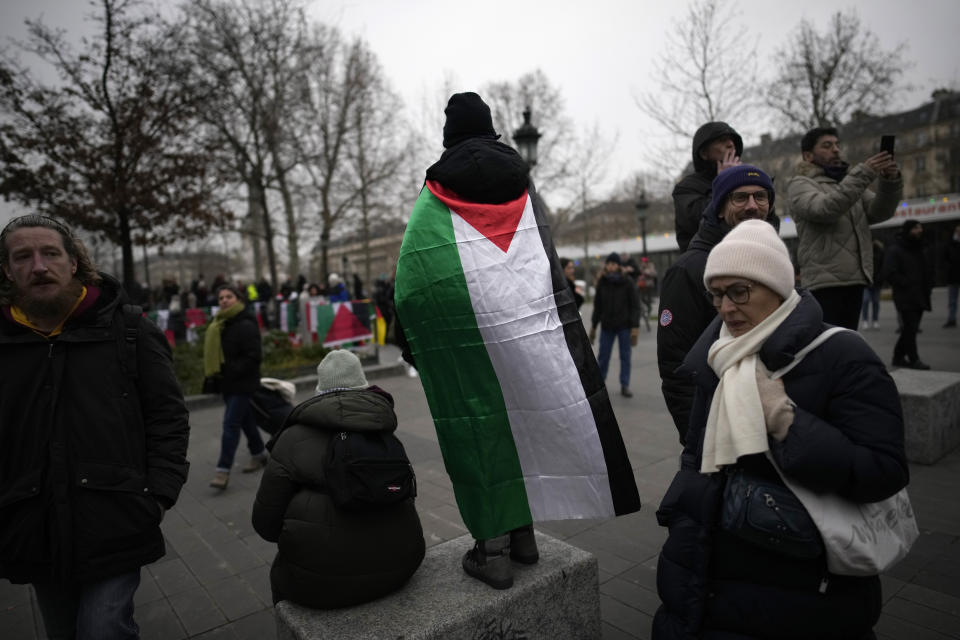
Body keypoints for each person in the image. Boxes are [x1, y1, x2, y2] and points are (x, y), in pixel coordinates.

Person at [394, 91, 640, 590]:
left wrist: (414, 340)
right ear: (493, 131)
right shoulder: (524, 191)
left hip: (466, 341)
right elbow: (544, 261)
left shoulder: (432, 197)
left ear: (448, 137)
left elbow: (414, 281)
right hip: (527, 331)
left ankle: (492, 552)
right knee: (525, 419)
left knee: (478, 429)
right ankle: (524, 538)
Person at [653, 219, 908, 639]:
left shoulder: (844, 354)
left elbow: (884, 470)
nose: (726, 308)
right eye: (717, 294)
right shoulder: (717, 356)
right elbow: (696, 457)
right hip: (704, 572)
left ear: (778, 288)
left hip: (805, 592)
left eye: (740, 291)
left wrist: (786, 420)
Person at [0, 214, 190, 639]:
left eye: (50, 253)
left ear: (73, 262)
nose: (38, 266)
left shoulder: (128, 329)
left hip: (116, 517)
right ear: (8, 270)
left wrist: (158, 494)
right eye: (23, 257)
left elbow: (168, 414)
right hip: (34, 526)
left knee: (103, 629)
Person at [252, 350, 425, 608]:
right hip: (402, 564)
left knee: (280, 574)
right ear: (362, 385)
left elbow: (265, 524)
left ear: (320, 389)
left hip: (319, 583)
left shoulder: (292, 438)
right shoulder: (385, 431)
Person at [657, 165, 776, 444]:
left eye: (760, 196)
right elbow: (676, 369)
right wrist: (698, 439)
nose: (752, 206)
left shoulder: (772, 259)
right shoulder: (689, 269)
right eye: (740, 198)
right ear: (719, 208)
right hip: (719, 428)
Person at [787, 126, 903, 330]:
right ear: (807, 155)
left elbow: (879, 212)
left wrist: (889, 181)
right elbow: (824, 209)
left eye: (837, 145)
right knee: (828, 348)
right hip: (823, 283)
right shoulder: (800, 184)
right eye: (827, 145)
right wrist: (864, 173)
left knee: (847, 345)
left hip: (855, 278)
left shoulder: (847, 183)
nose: (836, 150)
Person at [205, 284, 268, 489]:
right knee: (246, 420)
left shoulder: (245, 324)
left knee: (230, 423)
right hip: (228, 383)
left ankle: (222, 471)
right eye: (221, 297)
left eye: (228, 296)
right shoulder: (221, 323)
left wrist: (231, 369)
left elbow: (253, 356)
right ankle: (258, 453)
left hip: (243, 382)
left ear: (239, 299)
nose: (223, 300)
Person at [672, 122, 743, 252]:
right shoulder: (686, 188)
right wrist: (723, 183)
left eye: (732, 140)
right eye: (722, 140)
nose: (731, 144)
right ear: (704, 153)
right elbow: (699, 221)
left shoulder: (749, 180)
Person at [884, 220, 933, 369]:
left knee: (909, 329)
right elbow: (889, 273)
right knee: (911, 328)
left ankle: (898, 357)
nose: (920, 231)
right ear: (908, 230)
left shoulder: (918, 248)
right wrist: (906, 283)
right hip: (905, 296)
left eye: (921, 228)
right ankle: (913, 359)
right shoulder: (896, 250)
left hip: (920, 295)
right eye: (916, 228)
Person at [590, 252, 640, 397]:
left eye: (614, 264)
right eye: (609, 264)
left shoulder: (627, 281)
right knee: (603, 356)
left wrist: (635, 327)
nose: (611, 267)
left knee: (625, 356)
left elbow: (635, 305)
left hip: (624, 326)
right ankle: (600, 384)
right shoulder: (602, 282)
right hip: (607, 326)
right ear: (606, 265)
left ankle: (625, 385)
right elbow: (597, 306)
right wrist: (593, 326)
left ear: (618, 265)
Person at [861, 238, 885, 330]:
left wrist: (880, 279)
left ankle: (875, 320)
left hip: (877, 281)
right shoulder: (864, 252)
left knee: (876, 302)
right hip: (866, 282)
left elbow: (882, 266)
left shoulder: (880, 251)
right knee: (866, 301)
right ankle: (865, 320)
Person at [943, 223, 960, 328]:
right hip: (953, 276)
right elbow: (946, 258)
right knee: (952, 301)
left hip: (954, 275)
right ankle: (951, 319)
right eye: (957, 231)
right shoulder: (950, 244)